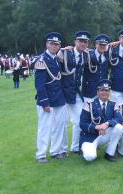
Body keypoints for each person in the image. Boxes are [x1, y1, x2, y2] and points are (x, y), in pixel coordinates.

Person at [34, 32, 67, 163]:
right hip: (47, 100)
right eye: (52, 44)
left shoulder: (56, 59)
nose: (54, 46)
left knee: (59, 126)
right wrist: (44, 102)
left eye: (57, 44)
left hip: (58, 98)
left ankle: (55, 151)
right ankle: (41, 154)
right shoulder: (42, 60)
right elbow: (40, 85)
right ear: (47, 44)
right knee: (44, 128)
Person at [60, 30, 90, 154]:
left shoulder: (85, 55)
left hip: (76, 93)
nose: (83, 44)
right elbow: (50, 56)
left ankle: (75, 147)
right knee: (63, 123)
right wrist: (61, 50)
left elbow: (103, 47)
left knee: (79, 121)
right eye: (81, 41)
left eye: (85, 42)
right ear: (75, 42)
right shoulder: (66, 52)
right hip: (62, 92)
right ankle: (60, 150)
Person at [79, 79, 123, 162]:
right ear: (97, 92)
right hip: (90, 137)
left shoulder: (113, 104)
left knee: (119, 127)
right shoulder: (89, 104)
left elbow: (119, 118)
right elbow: (82, 124)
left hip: (103, 135)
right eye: (102, 90)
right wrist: (97, 127)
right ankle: (86, 149)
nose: (104, 92)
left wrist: (107, 124)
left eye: (107, 90)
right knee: (90, 157)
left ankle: (109, 153)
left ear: (109, 92)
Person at [82, 34, 110, 102]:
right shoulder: (87, 54)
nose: (102, 46)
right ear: (96, 45)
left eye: (104, 45)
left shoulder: (108, 55)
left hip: (102, 91)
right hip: (89, 91)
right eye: (100, 44)